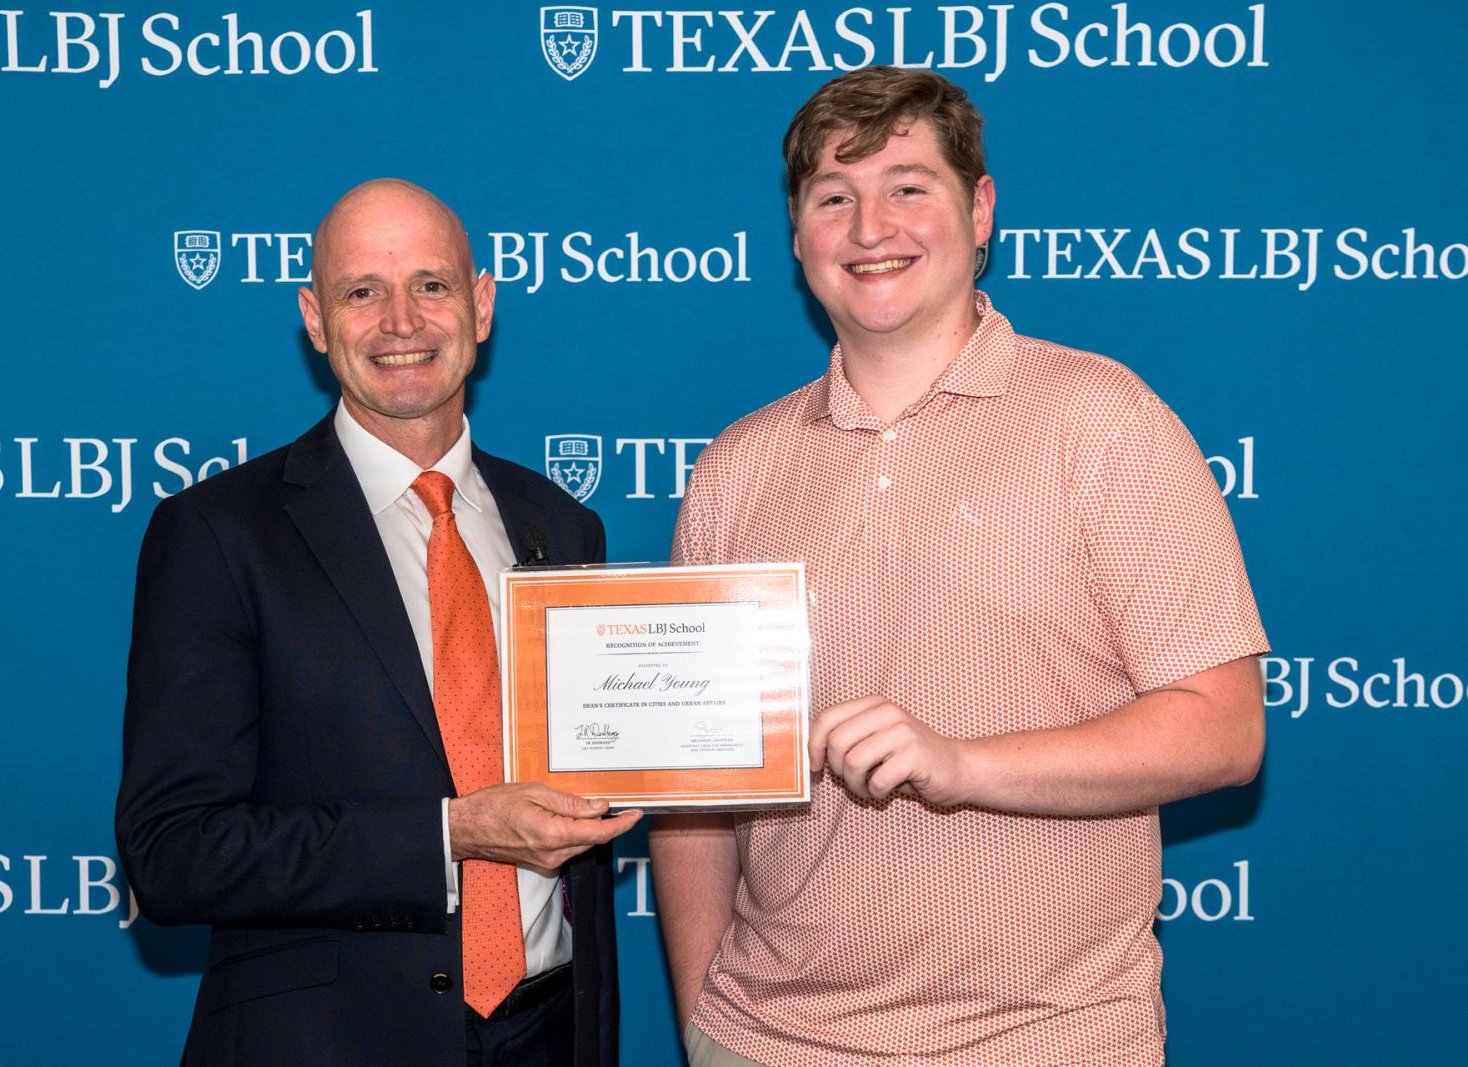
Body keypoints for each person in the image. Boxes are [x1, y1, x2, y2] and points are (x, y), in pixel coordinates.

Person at [650, 67, 1269, 1067]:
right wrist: (703, 1021)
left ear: (978, 209)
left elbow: (1225, 727)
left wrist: (962, 761)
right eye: (833, 197)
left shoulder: (1103, 420)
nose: (869, 226)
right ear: (798, 233)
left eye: (907, 186)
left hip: (1048, 1040)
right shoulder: (735, 469)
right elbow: (691, 786)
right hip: (767, 1038)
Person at [116, 178, 640, 1067]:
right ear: (315, 320)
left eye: (431, 284)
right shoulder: (217, 533)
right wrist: (451, 833)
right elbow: (174, 854)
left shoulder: (561, 525)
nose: (402, 320)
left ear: (481, 306)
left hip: (551, 1032)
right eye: (363, 291)